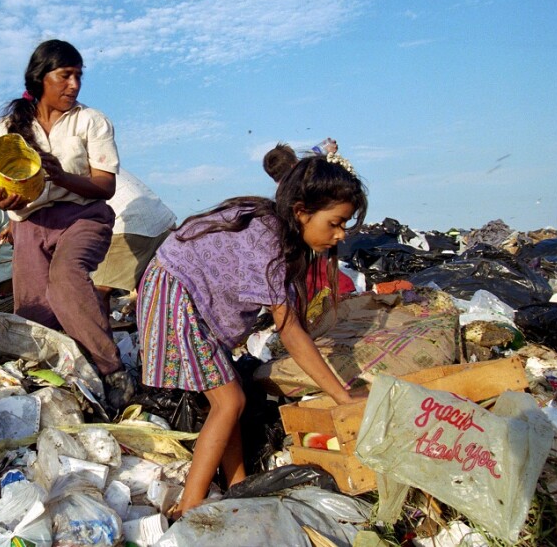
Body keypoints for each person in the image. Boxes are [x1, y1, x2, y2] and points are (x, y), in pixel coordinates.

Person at [137, 153, 368, 518]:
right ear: (301, 212)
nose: (340, 234)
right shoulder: (269, 242)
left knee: (231, 397)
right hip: (177, 292)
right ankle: (190, 507)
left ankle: (237, 483)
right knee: (230, 402)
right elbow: (291, 332)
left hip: (188, 295)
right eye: (335, 223)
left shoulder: (275, 231)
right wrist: (340, 395)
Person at [0, 39, 134, 409]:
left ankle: (112, 371)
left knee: (67, 277)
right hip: (30, 223)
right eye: (65, 76)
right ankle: (63, 386)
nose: (74, 85)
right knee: (34, 309)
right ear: (40, 78)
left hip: (83, 216)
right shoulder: (9, 128)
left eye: (78, 77)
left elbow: (105, 185)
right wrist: (1, 200)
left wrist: (63, 176)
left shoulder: (91, 121)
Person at [263, 140, 355, 300]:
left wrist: (325, 147)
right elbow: (311, 158)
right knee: (337, 284)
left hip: (297, 254)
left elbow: (312, 154)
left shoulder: (281, 192)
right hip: (301, 254)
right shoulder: (296, 189)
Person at [92, 168, 177, 317]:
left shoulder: (51, 166)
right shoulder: (95, 155)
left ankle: (97, 339)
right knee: (157, 288)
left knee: (96, 293)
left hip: (131, 223)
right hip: (163, 220)